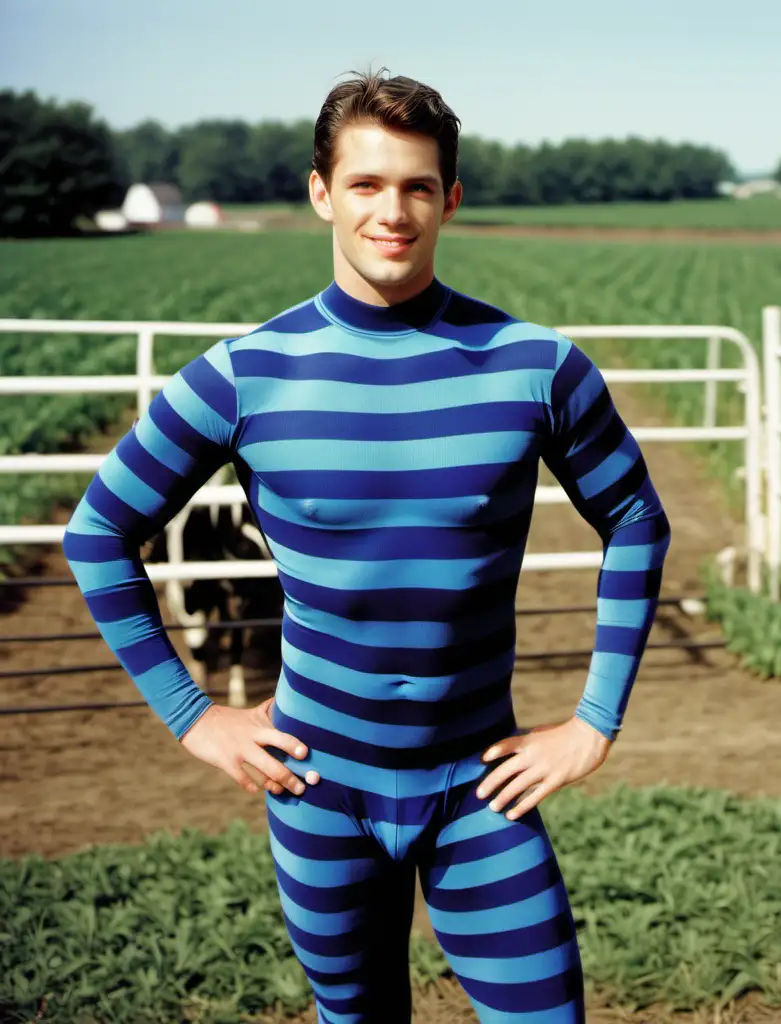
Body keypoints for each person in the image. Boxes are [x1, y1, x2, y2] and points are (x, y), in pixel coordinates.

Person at [62, 69, 671, 1023]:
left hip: (482, 792)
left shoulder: (535, 365)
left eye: (418, 186)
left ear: (450, 199)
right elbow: (98, 531)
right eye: (366, 185)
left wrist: (595, 720)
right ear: (321, 193)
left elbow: (636, 519)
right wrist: (192, 715)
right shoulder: (244, 375)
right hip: (317, 793)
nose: (393, 210)